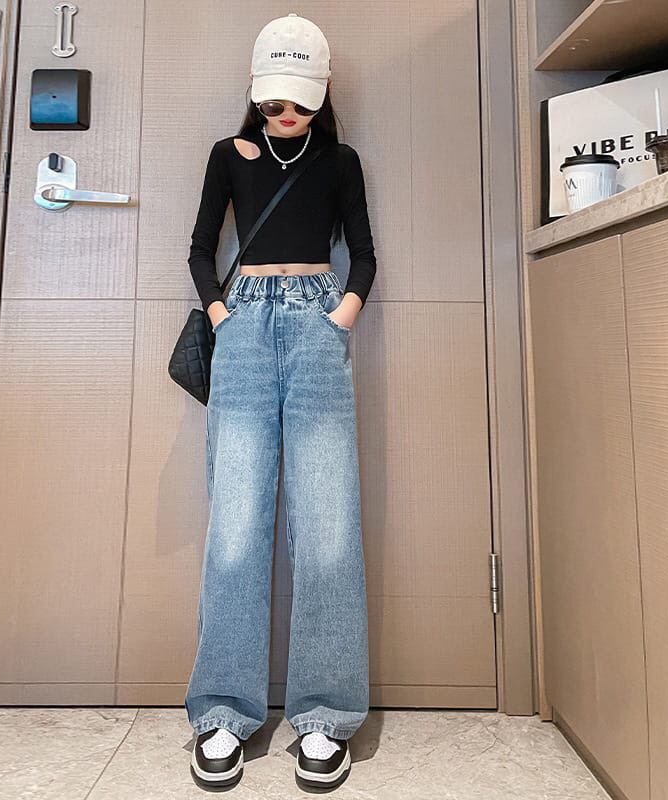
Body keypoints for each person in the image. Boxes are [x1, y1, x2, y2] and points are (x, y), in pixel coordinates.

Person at [184, 12, 376, 791]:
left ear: (320, 94)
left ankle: (325, 715)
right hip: (243, 327)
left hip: (317, 324)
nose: (285, 114)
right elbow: (201, 247)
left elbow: (364, 253)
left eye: (297, 101)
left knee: (327, 519)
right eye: (272, 102)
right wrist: (222, 316)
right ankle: (223, 713)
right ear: (256, 94)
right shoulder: (225, 157)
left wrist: (340, 319)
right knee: (236, 520)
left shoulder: (340, 161)